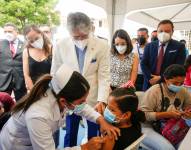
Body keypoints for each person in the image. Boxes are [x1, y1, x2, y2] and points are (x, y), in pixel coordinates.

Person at [0, 64, 120, 150]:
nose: (84, 104)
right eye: (82, 101)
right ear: (63, 101)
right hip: (16, 144)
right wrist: (85, 148)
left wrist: (101, 120)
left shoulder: (60, 94)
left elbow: (81, 107)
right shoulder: (38, 115)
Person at [51, 12, 110, 146]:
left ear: (91, 29)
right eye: (76, 37)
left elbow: (104, 75)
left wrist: (102, 100)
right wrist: (61, 99)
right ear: (69, 32)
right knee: (70, 133)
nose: (80, 40)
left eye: (84, 36)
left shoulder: (102, 45)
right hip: (69, 98)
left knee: (93, 132)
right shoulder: (61, 45)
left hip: (93, 97)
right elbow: (55, 73)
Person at [140, 64, 191, 150]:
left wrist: (187, 114)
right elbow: (143, 115)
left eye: (181, 83)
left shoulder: (183, 91)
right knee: (168, 148)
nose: (178, 86)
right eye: (175, 83)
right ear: (166, 79)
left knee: (186, 146)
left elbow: (188, 107)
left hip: (170, 127)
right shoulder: (154, 91)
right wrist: (167, 114)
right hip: (149, 126)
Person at [141, 19, 186, 91]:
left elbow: (178, 67)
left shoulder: (179, 46)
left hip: (168, 85)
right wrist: (150, 77)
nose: (163, 33)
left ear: (172, 32)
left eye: (167, 31)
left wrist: (161, 78)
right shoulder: (149, 46)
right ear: (157, 31)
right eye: (161, 31)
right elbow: (143, 63)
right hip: (149, 84)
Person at [0, 23, 26, 101]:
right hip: (3, 81)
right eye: (5, 32)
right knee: (3, 105)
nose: (7, 34)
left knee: (21, 105)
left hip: (20, 81)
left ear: (16, 32)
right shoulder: (0, 44)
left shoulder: (25, 44)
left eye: (10, 31)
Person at [23, 25, 52, 91]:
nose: (35, 42)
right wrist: (34, 92)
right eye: (31, 41)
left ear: (41, 34)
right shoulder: (26, 51)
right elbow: (26, 75)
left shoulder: (52, 49)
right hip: (34, 90)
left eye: (36, 38)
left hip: (52, 89)